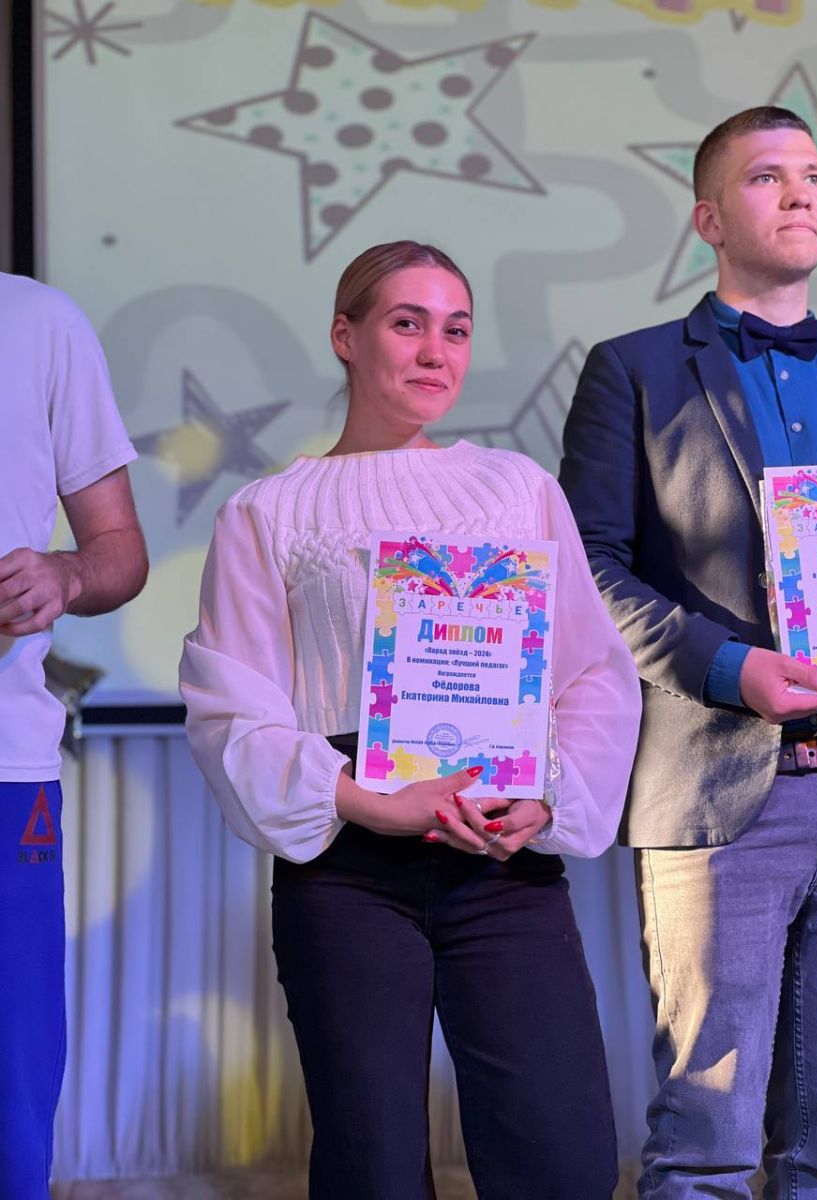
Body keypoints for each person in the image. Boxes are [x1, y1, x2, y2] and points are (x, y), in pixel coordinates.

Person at [180, 240, 641, 1199]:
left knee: (561, 1162)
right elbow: (233, 707)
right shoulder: (267, 511)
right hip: (350, 868)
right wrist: (368, 801)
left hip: (502, 855)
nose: (437, 351)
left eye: (457, 330)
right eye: (407, 323)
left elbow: (592, 673)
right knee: (373, 1170)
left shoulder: (517, 488)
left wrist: (546, 799)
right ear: (345, 336)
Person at [560, 106, 817, 1198]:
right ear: (708, 219)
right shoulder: (635, 371)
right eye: (766, 176)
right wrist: (731, 668)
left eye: (814, 175)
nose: (799, 191)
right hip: (720, 792)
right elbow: (587, 572)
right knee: (705, 1147)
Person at [0, 273, 147, 1198]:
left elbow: (119, 548)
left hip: (5, 770)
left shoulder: (37, 321)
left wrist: (62, 574)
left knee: (9, 1099)